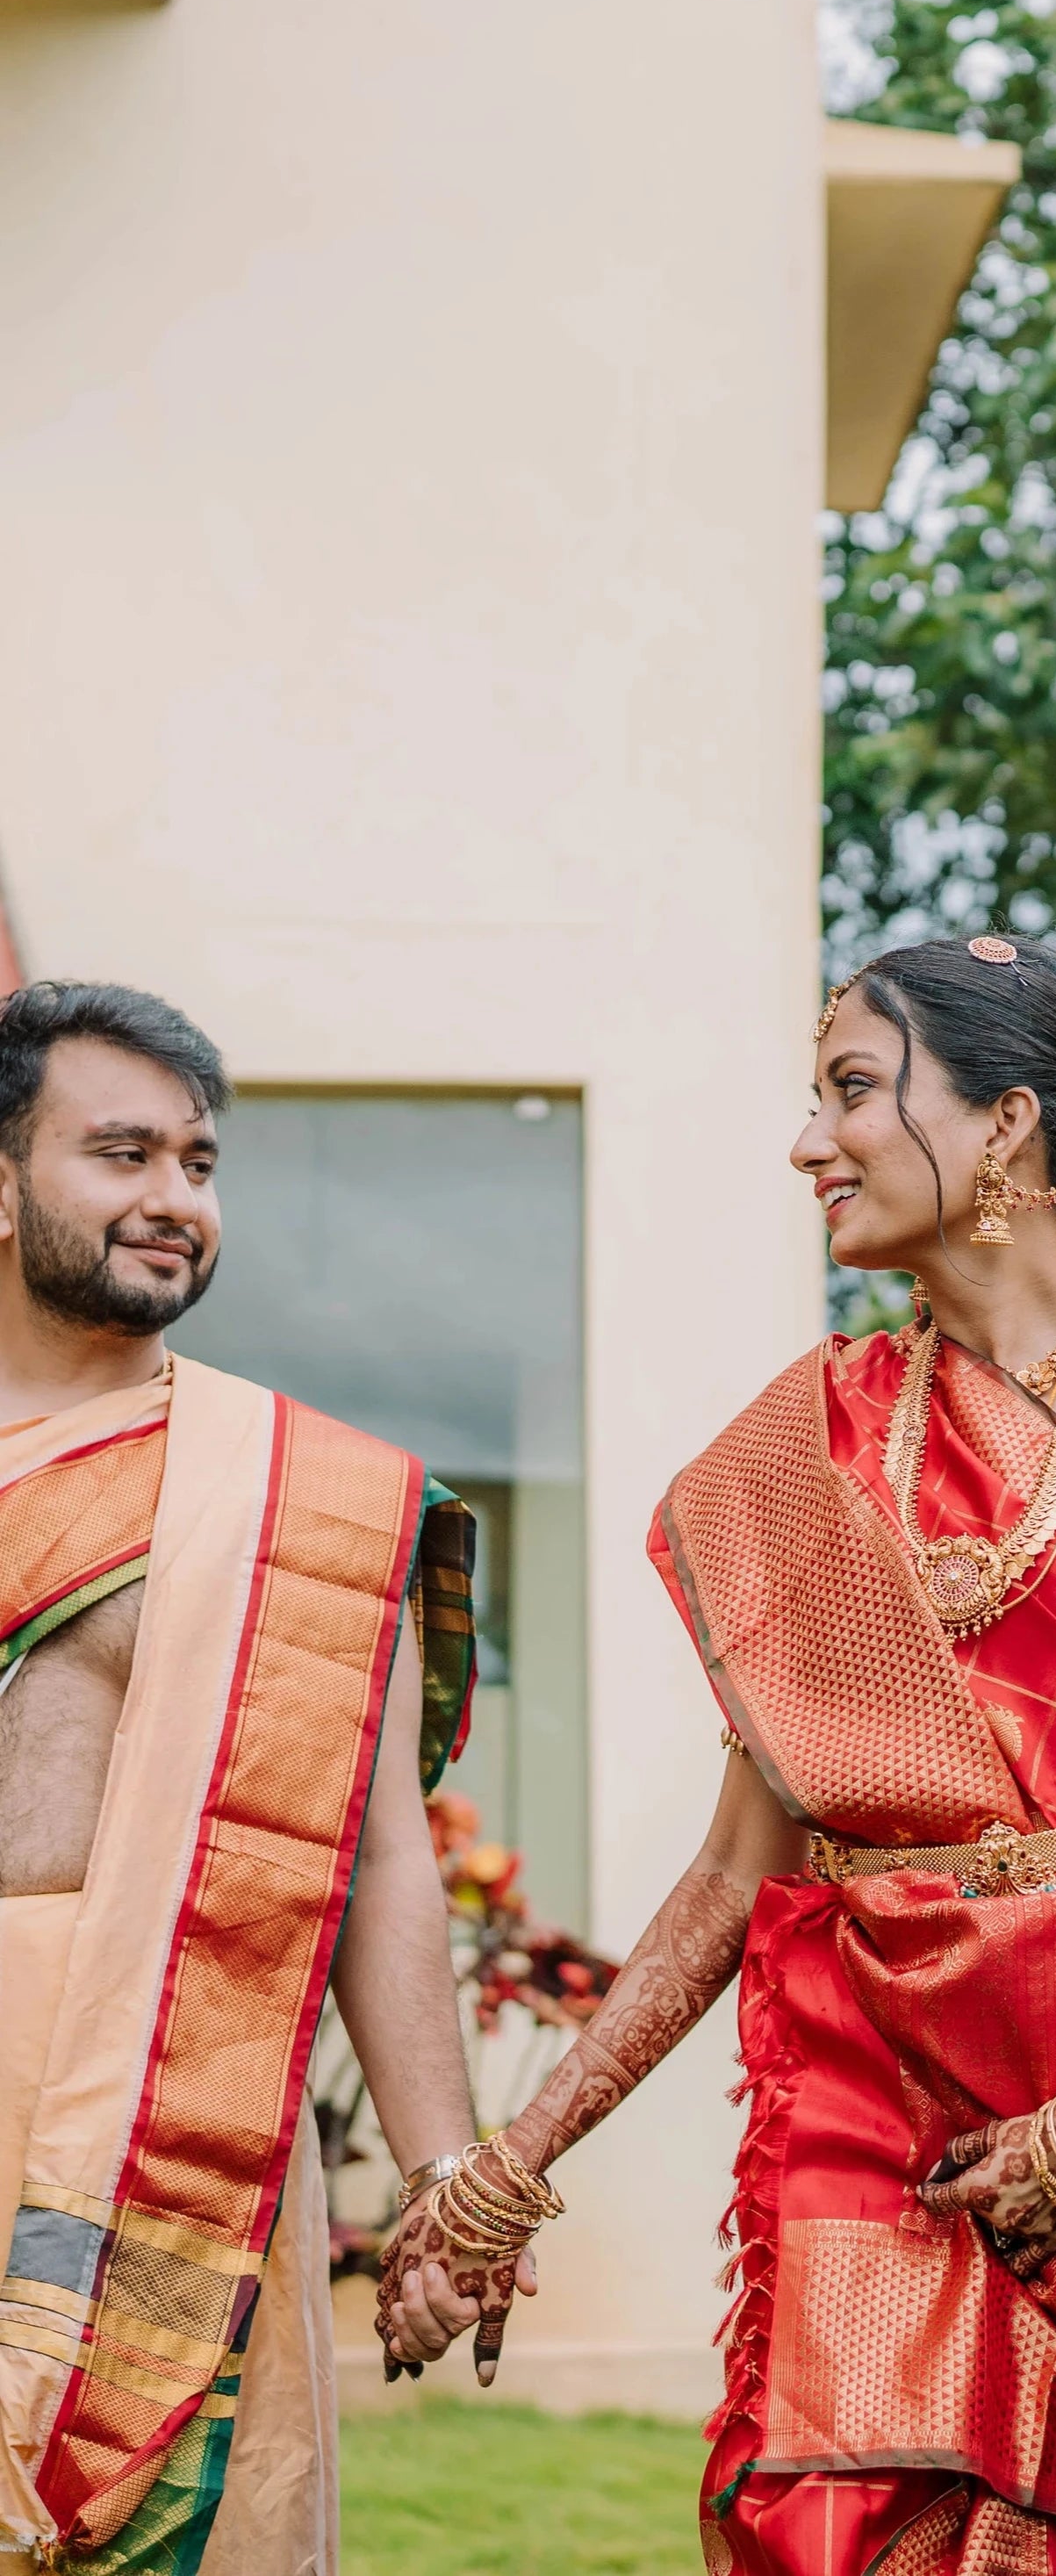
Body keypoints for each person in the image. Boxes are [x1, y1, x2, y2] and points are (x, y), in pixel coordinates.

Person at [384, 935, 1056, 2576]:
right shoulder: (808, 1444)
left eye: (853, 1092)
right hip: (884, 2108)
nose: (810, 1142)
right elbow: (742, 1869)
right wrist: (507, 2174)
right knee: (843, 2522)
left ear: (1003, 1124)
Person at [0, 982, 482, 2576]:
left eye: (199, 1162)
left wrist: (442, 2178)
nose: (174, 1200)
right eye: (122, 1151)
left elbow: (378, 1858)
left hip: (170, 2111)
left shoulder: (305, 1500)